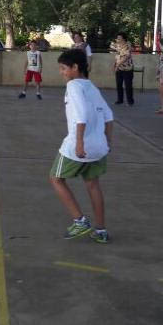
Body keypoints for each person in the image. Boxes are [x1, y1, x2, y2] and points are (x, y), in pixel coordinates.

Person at [50, 48, 114, 244]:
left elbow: (81, 116)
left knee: (56, 179)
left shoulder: (74, 86)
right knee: (92, 184)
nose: (61, 72)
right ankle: (101, 230)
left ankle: (80, 221)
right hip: (98, 147)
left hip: (78, 146)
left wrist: (79, 143)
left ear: (75, 67)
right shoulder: (91, 86)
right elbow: (109, 116)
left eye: (63, 68)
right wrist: (107, 142)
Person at [112, 32, 135, 106]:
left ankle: (130, 101)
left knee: (128, 86)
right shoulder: (118, 46)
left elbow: (126, 57)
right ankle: (120, 100)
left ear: (124, 39)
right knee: (119, 85)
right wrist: (114, 64)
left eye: (119, 38)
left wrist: (117, 65)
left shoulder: (127, 45)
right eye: (117, 38)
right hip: (119, 69)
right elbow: (117, 56)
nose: (118, 39)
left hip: (127, 69)